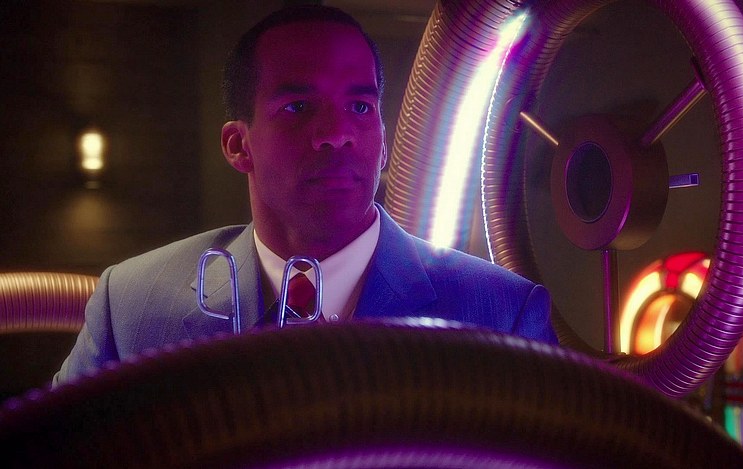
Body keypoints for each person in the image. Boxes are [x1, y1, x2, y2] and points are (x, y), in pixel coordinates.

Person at [54, 5, 558, 385]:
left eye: (360, 107)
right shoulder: (131, 307)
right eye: (298, 107)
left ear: (385, 142)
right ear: (238, 145)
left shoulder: (502, 316)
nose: (337, 134)